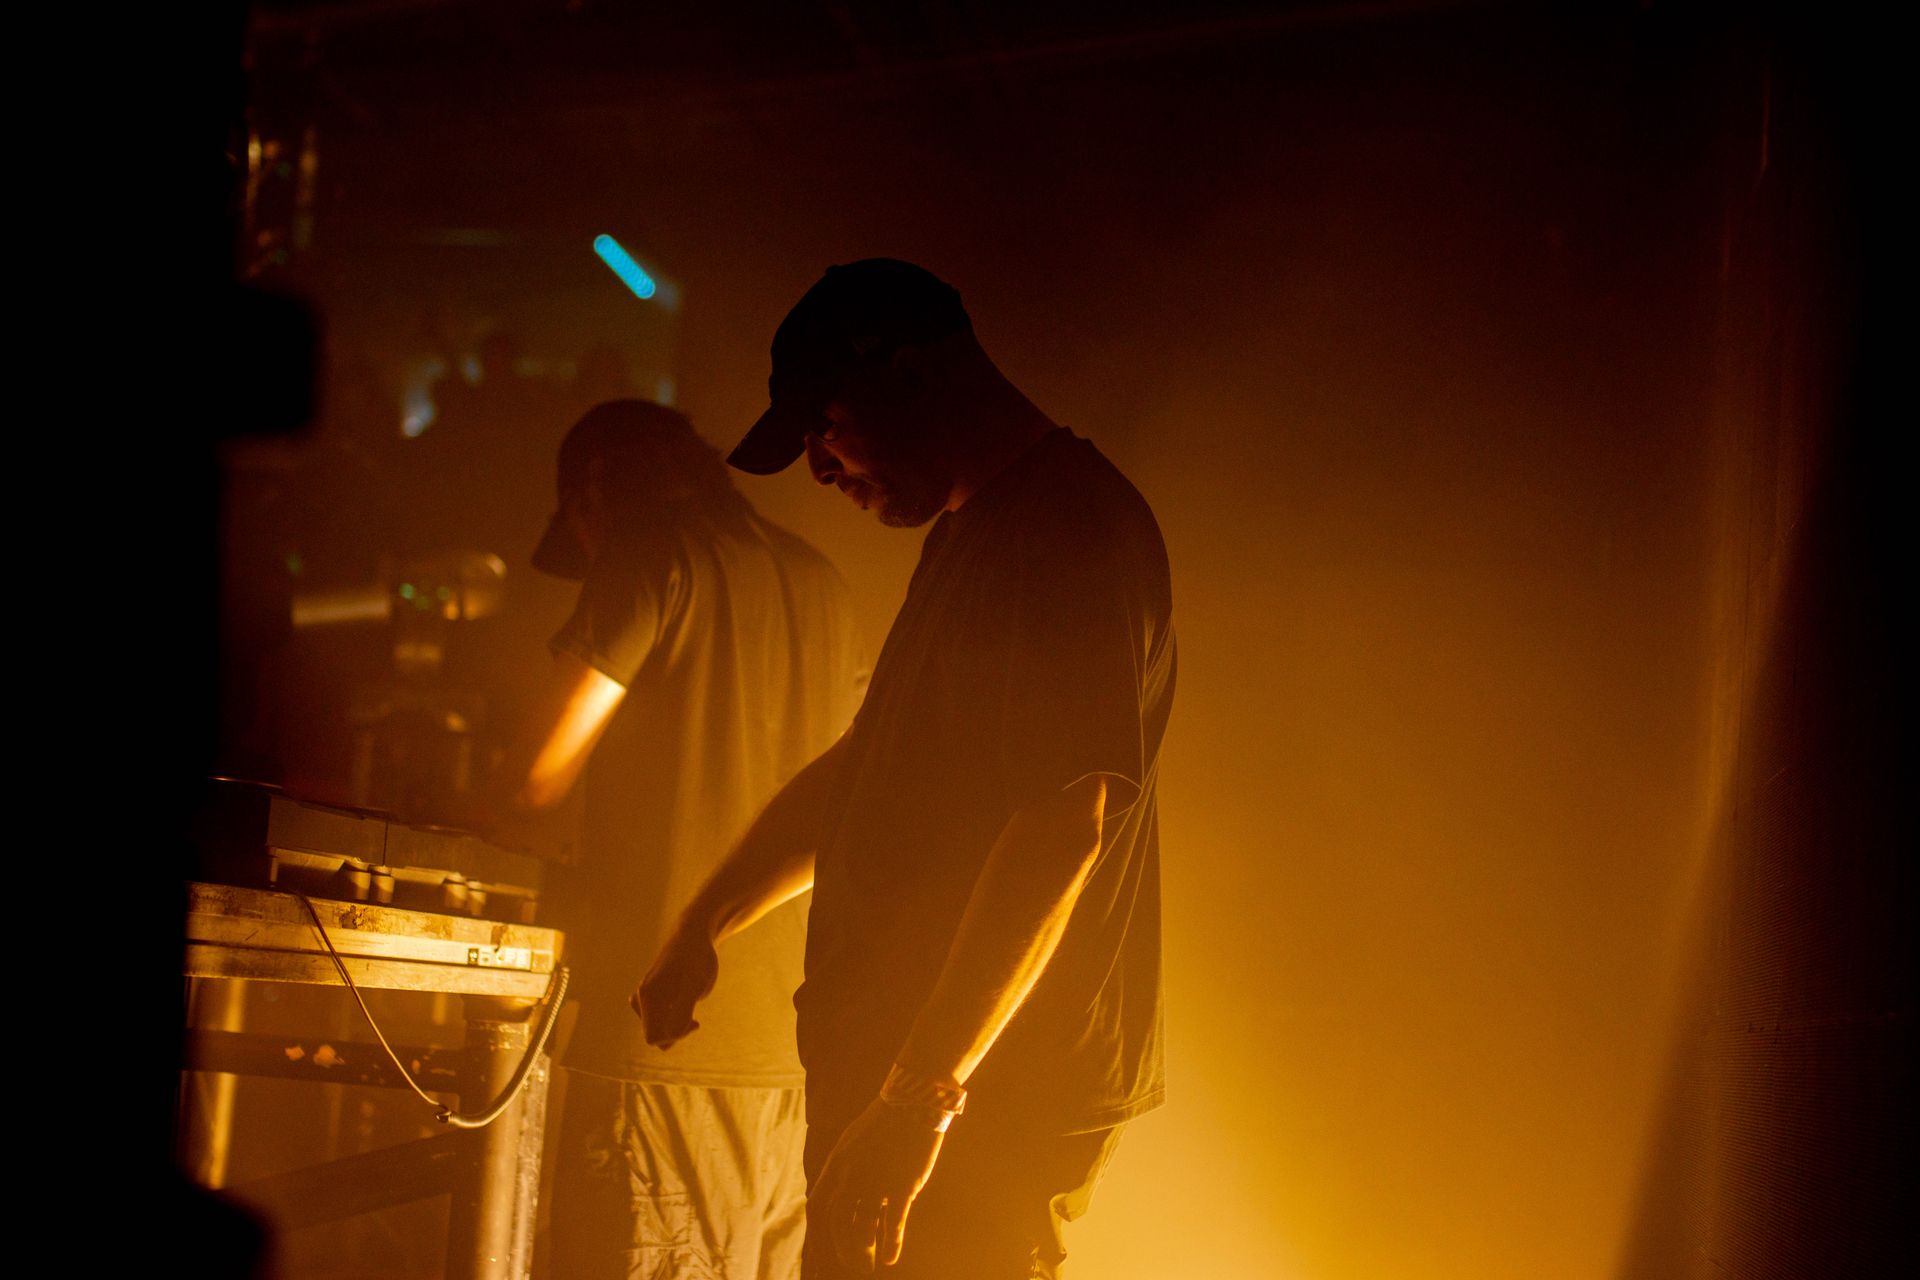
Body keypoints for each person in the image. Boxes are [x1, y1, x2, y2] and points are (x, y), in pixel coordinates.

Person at [636, 261, 1175, 1279]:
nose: (820, 468)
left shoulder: (1071, 531)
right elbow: (870, 765)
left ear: (915, 371)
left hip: (986, 1099)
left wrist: (924, 1095)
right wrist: (703, 924)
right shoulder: (975, 534)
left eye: (825, 423)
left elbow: (1066, 819)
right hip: (912, 1083)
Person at [495, 399, 866, 1280]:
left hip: (657, 1045)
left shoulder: (650, 554)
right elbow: (848, 796)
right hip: (786, 1061)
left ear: (593, 500)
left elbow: (535, 782)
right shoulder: (826, 583)